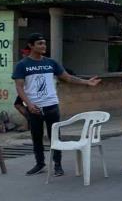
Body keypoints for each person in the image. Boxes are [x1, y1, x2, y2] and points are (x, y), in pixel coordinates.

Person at [12, 33, 101, 176]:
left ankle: (58, 165)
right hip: (34, 107)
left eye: (44, 43)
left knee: (55, 136)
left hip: (52, 105)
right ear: (31, 46)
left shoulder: (51, 62)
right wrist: (28, 104)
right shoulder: (22, 65)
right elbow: (20, 88)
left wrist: (86, 82)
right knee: (37, 136)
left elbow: (67, 77)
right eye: (40, 43)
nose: (43, 46)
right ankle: (40, 164)